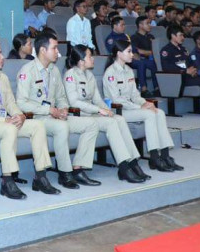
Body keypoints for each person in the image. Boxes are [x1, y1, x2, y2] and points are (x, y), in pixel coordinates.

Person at [0, 39, 57, 200]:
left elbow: (11, 103)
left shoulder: (2, 78)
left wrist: (20, 115)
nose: (3, 57)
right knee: (10, 128)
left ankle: (40, 176)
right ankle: (7, 181)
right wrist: (4, 121)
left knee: (37, 125)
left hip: (5, 123)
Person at [15, 33, 100, 188]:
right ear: (43, 50)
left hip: (55, 116)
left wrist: (63, 109)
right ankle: (65, 173)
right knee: (62, 127)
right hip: (37, 118)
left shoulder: (54, 70)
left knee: (91, 124)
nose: (58, 52)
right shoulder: (27, 71)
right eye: (54, 48)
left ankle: (78, 168)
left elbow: (61, 97)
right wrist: (49, 110)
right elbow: (21, 103)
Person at [63, 45, 148, 183]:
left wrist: (106, 109)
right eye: (90, 56)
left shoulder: (89, 75)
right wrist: (98, 110)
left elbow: (97, 99)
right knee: (111, 123)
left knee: (119, 119)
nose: (93, 59)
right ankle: (124, 167)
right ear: (81, 61)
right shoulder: (70, 75)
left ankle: (132, 162)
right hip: (79, 115)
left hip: (91, 114)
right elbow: (74, 102)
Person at [104, 39, 183, 172]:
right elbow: (116, 99)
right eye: (129, 51)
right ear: (119, 53)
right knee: (149, 114)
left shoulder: (129, 70)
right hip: (118, 111)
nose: (132, 54)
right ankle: (154, 157)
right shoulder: (110, 73)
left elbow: (135, 95)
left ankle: (165, 155)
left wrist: (145, 103)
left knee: (159, 112)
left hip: (130, 108)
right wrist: (139, 107)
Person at [130, 15, 158, 93]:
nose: (150, 25)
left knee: (156, 63)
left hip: (149, 59)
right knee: (141, 63)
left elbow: (156, 49)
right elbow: (137, 51)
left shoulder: (151, 36)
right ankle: (144, 89)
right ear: (140, 25)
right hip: (139, 59)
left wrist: (150, 53)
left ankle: (157, 88)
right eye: (147, 23)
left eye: (149, 23)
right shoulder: (134, 37)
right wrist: (151, 52)